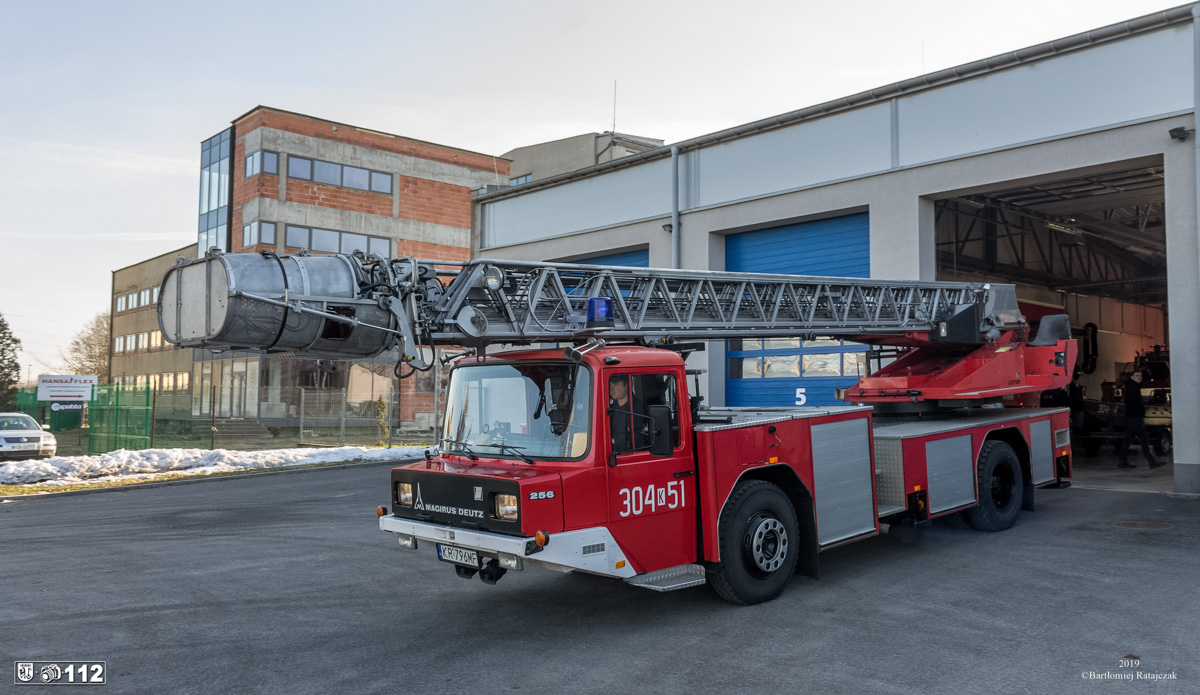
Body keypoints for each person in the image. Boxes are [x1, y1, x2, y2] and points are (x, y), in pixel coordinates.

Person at [1119, 370, 1164, 469]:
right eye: (1137, 375)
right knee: (1144, 439)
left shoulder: (1131, 386)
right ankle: (1152, 462)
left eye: (1140, 376)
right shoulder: (1132, 387)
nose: (1139, 377)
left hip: (1131, 417)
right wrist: (1139, 412)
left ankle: (1122, 461)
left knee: (1128, 440)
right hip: (1135, 417)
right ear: (1132, 377)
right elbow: (1132, 402)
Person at [609, 375, 649, 454]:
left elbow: (642, 439)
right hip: (612, 456)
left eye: (615, 384)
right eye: (609, 385)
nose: (611, 388)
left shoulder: (640, 409)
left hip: (632, 457)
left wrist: (615, 441)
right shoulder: (609, 409)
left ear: (627, 384)